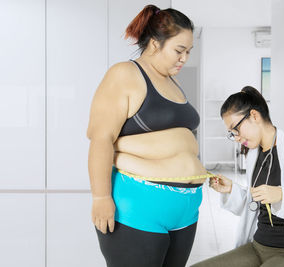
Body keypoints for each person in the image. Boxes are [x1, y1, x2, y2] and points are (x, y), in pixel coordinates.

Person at [87, 5, 212, 267]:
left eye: (188, 51)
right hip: (138, 208)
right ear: (155, 44)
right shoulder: (125, 74)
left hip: (185, 212)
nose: (184, 58)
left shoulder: (172, 83)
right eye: (179, 50)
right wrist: (101, 197)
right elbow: (101, 139)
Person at [192, 86, 284, 267]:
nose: (236, 137)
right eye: (232, 134)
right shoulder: (254, 155)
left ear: (254, 116)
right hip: (257, 247)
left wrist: (281, 195)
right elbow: (254, 205)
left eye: (235, 129)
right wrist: (232, 190)